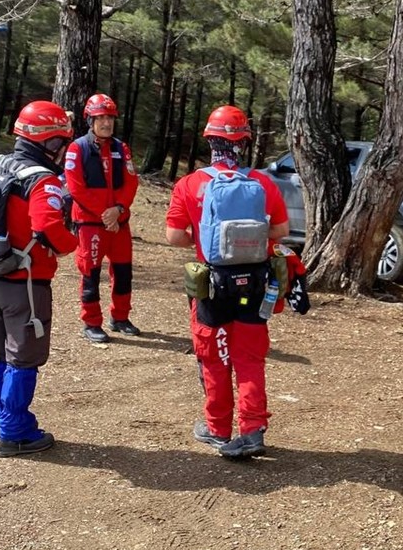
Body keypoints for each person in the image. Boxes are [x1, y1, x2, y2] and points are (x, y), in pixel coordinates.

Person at [165, 105, 291, 459]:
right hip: (254, 283)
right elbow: (281, 231)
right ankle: (252, 430)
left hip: (213, 285)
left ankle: (218, 429)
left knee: (214, 357)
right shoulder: (263, 183)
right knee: (250, 358)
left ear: (210, 141)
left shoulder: (190, 184)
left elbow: (175, 236)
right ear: (244, 142)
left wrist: (205, 240)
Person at [0, 100, 78, 457]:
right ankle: (15, 431)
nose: (64, 150)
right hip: (24, 283)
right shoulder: (41, 180)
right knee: (23, 356)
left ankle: (4, 417)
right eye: (62, 141)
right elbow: (49, 226)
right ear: (49, 142)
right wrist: (72, 242)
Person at [64, 93, 141, 343]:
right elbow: (76, 189)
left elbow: (130, 182)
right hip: (90, 225)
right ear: (90, 119)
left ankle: (120, 317)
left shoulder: (122, 148)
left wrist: (117, 210)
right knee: (91, 274)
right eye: (101, 118)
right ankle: (91, 322)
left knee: (123, 272)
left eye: (110, 117)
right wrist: (105, 213)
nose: (107, 123)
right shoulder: (77, 148)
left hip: (119, 222)